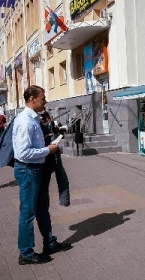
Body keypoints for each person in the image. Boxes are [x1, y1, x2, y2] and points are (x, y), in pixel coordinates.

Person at [13, 85, 71, 265]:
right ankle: (26, 253)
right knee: (28, 213)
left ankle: (50, 243)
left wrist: (50, 141)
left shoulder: (34, 119)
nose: (45, 101)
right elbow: (23, 153)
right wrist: (48, 150)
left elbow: (33, 144)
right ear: (32, 99)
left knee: (42, 209)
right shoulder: (25, 121)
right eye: (43, 98)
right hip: (28, 169)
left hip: (36, 170)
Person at [40, 111, 70, 207]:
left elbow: (54, 132)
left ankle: (64, 201)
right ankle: (45, 208)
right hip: (45, 157)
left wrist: (60, 132)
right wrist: (45, 137)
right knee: (45, 185)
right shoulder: (36, 123)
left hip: (54, 156)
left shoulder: (50, 123)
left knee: (62, 180)